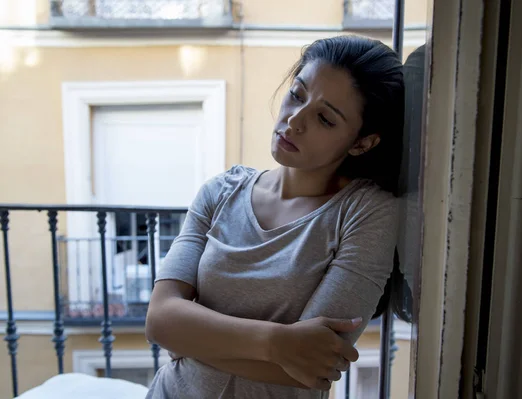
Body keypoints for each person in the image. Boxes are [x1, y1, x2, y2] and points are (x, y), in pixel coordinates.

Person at [145, 35, 405, 399]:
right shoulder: (220, 192)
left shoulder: (365, 211)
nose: (294, 120)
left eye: (325, 119)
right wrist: (277, 343)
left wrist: (192, 339)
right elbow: (160, 320)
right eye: (297, 95)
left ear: (362, 143)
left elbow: (311, 370)